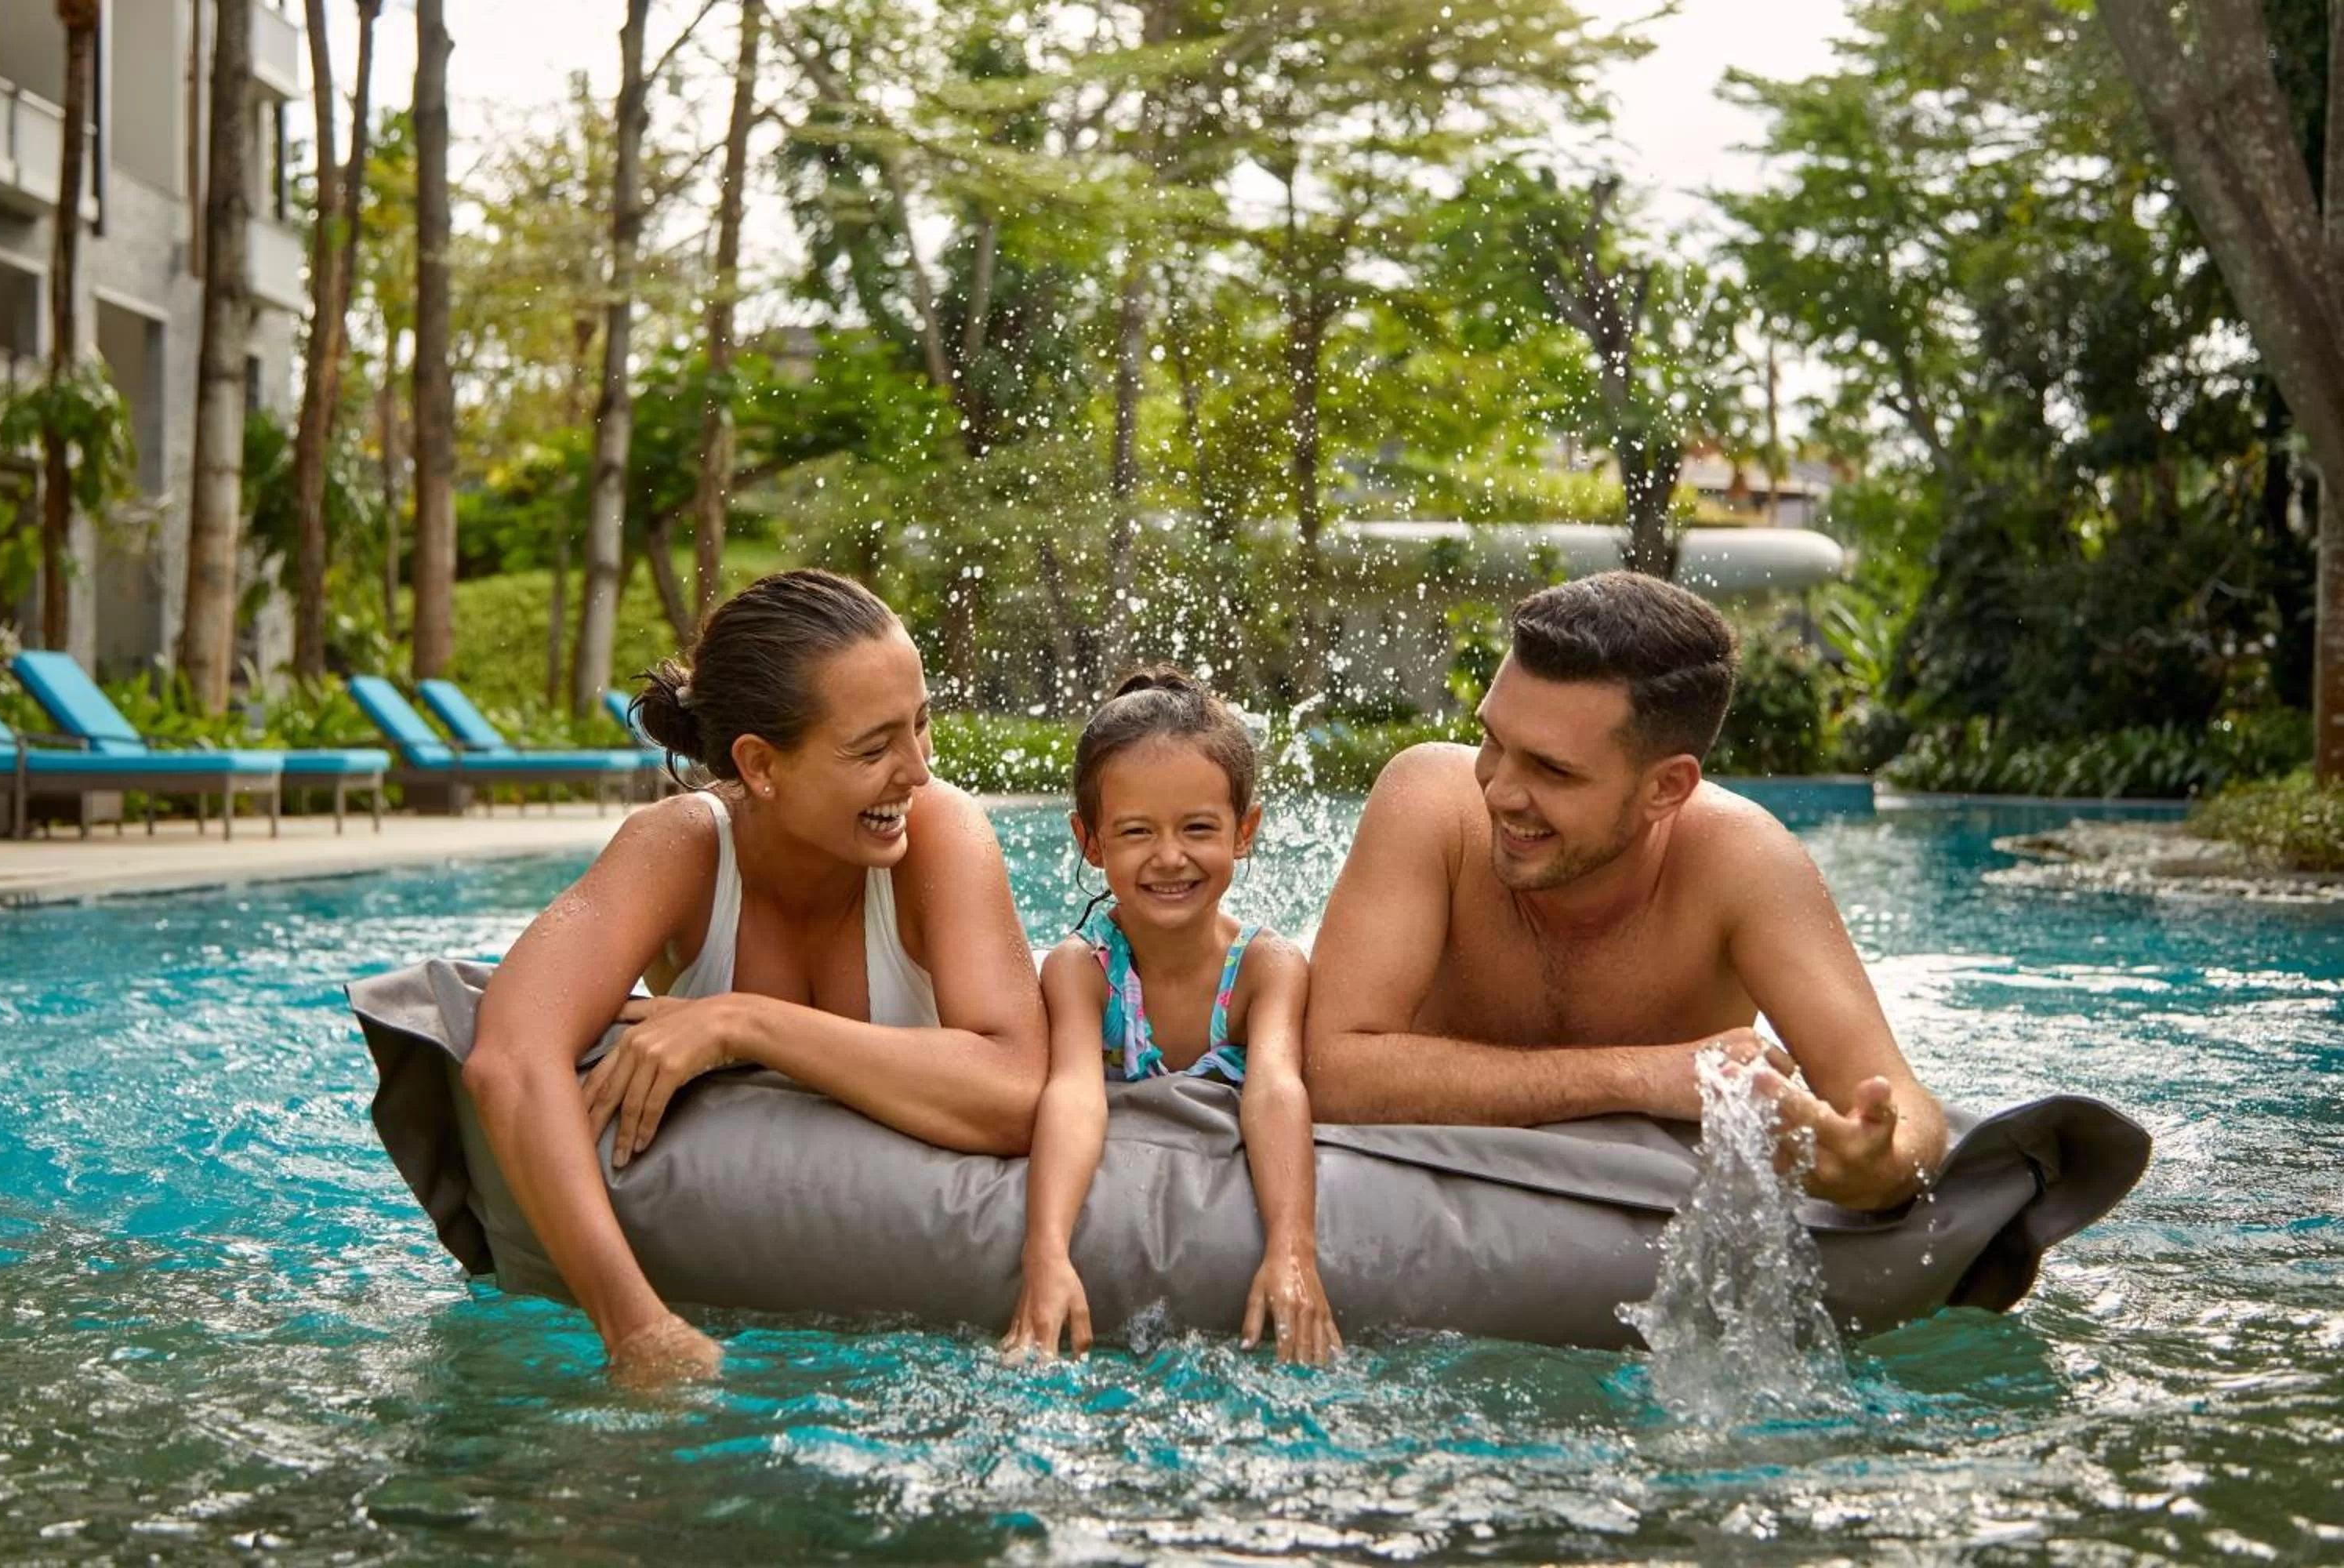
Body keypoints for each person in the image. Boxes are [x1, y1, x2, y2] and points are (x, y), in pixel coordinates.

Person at [463, 570, 1049, 1386]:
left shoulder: (939, 832)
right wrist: (634, 1326)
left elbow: (1020, 1089)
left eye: (922, 726)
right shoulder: (680, 849)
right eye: (874, 747)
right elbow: (510, 1059)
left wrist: (741, 1023)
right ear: (761, 765)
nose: (917, 770)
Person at [1304, 572, 1947, 1210]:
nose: (1498, 791)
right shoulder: (1428, 803)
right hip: (1411, 1203)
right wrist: (1651, 1077)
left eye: (1552, 770)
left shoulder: (1744, 864)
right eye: (1493, 740)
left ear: (1666, 787)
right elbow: (1332, 1071)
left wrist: (1869, 1161)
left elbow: (1902, 1105)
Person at [1002, 670, 1340, 1365]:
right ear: (1090, 842)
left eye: (1198, 829)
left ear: (1244, 831)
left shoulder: (1265, 968)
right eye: (1135, 832)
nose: (1169, 857)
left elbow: (1277, 1088)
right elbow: (1072, 1091)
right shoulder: (1082, 968)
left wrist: (1292, 1248)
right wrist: (1046, 1251)